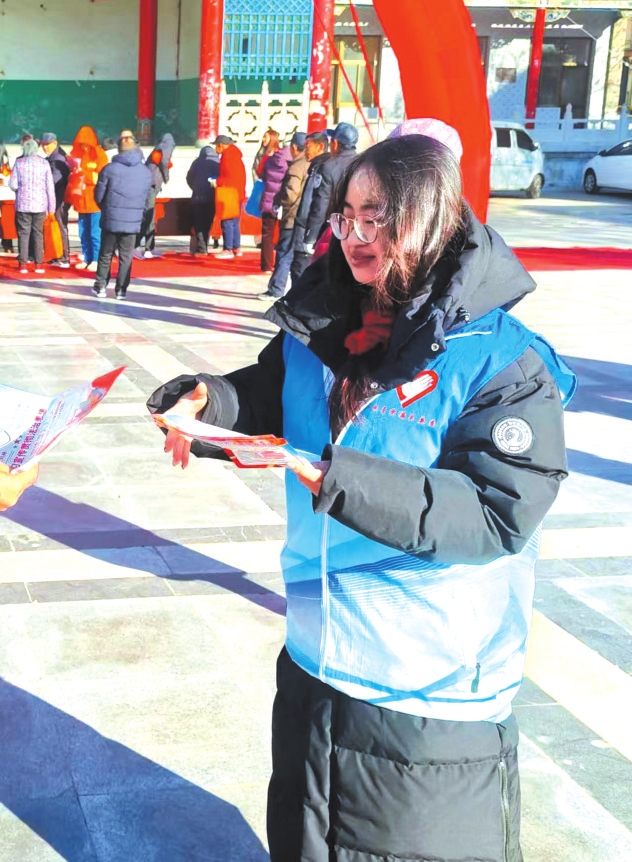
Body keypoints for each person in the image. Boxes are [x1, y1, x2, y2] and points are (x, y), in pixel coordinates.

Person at [147, 133, 576, 862]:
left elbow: (495, 511)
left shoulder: (504, 361)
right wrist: (208, 401)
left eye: (376, 217)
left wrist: (335, 478)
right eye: (346, 215)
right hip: (314, 663)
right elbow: (272, 393)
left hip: (426, 694)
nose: (353, 236)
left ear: (432, 216)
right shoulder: (326, 325)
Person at [92, 133, 152, 300]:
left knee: (105, 254)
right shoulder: (145, 172)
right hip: (133, 221)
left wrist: (106, 209)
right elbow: (147, 197)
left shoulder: (109, 169)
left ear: (118, 149)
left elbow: (98, 195)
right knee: (126, 257)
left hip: (111, 219)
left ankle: (100, 286)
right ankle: (121, 290)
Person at [259, 131, 308, 300]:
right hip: (305, 218)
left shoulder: (295, 166)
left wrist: (282, 204)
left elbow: (290, 193)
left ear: (294, 147)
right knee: (298, 257)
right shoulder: (311, 164)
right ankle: (297, 292)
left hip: (291, 214)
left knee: (284, 253)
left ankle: (276, 288)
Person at [301, 122, 359, 252]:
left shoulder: (328, 167)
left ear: (335, 143)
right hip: (358, 231)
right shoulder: (365, 163)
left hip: (333, 231)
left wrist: (311, 237)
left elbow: (320, 205)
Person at [9, 138, 55, 274]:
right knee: (38, 234)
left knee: (23, 234)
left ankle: (23, 264)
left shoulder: (19, 163)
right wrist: (51, 208)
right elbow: (50, 187)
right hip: (40, 205)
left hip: (23, 205)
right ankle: (38, 264)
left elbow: (13, 185)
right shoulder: (44, 163)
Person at [288, 131, 329, 287]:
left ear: (319, 147)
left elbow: (312, 203)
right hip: (308, 227)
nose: (305, 150)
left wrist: (309, 235)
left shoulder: (322, 168)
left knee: (300, 269)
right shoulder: (316, 166)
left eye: (308, 146)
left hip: (307, 227)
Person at [66, 126, 108, 272]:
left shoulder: (100, 155)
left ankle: (96, 259)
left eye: (86, 144)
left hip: (95, 202)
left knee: (95, 233)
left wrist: (83, 174)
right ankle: (87, 257)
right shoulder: (78, 156)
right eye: (81, 144)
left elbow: (100, 177)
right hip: (81, 201)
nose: (84, 147)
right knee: (83, 233)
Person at [136, 133, 175, 258]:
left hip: (150, 184)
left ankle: (149, 247)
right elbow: (164, 162)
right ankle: (138, 246)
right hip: (151, 185)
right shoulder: (165, 147)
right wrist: (166, 177)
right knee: (148, 215)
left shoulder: (157, 149)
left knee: (149, 215)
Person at [258, 136, 292, 274]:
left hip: (269, 200)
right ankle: (281, 265)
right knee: (285, 234)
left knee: (267, 234)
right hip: (284, 201)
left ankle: (266, 265)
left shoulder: (271, 159)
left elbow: (261, 174)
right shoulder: (294, 162)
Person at [212, 135, 246, 260]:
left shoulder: (227, 157)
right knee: (235, 222)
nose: (215, 149)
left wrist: (216, 182)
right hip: (239, 193)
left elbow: (227, 177)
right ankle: (236, 247)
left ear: (221, 145)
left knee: (227, 221)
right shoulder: (236, 155)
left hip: (229, 193)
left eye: (216, 146)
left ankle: (228, 249)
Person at [40, 132, 71, 267]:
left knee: (60, 226)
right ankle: (58, 254)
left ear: (55, 143)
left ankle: (64, 257)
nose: (45, 147)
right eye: (43, 145)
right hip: (57, 198)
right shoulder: (53, 157)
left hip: (60, 199)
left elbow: (54, 180)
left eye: (47, 144)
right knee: (57, 227)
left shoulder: (58, 158)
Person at [186, 144, 220, 255]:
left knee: (198, 223)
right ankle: (204, 245)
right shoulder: (217, 162)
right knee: (207, 223)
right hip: (212, 197)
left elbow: (189, 177)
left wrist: (195, 187)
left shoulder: (196, 162)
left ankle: (202, 248)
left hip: (197, 198)